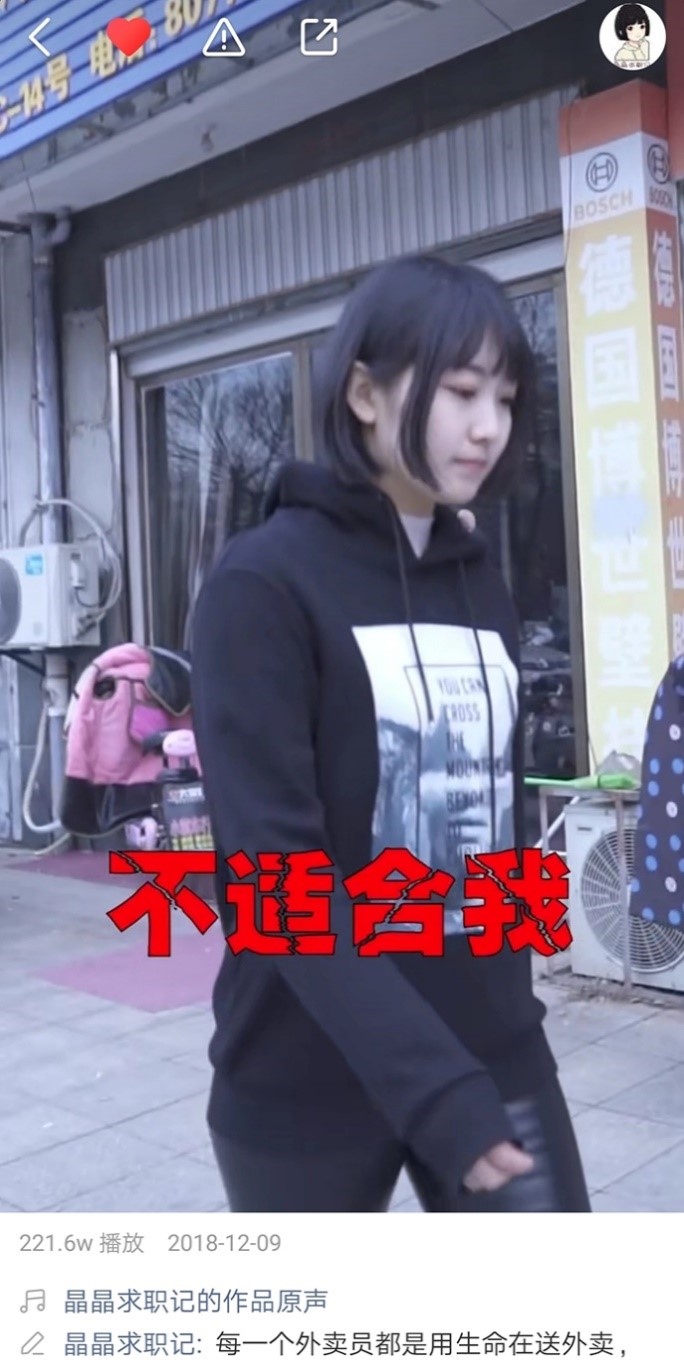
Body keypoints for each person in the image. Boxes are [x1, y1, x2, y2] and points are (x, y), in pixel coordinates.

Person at [191, 254, 591, 1214]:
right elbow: (276, 875)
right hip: (302, 1070)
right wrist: (432, 1089)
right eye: (460, 390)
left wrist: (499, 1034)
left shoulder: (479, 580)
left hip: (491, 1051)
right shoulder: (262, 585)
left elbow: (494, 823)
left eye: (505, 396)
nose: (488, 425)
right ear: (365, 393)